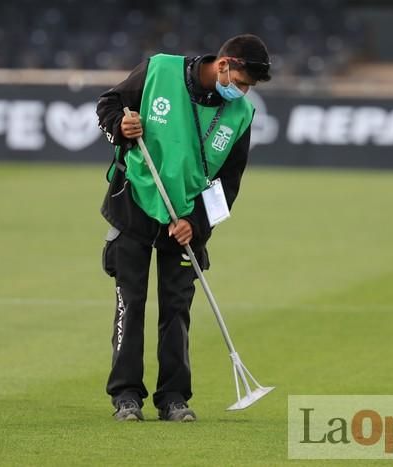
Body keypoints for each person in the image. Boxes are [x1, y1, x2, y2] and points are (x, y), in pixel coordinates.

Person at [96, 34, 271, 422]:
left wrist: (196, 224)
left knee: (176, 309)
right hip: (137, 200)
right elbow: (109, 104)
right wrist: (121, 127)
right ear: (224, 64)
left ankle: (173, 397)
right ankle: (126, 396)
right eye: (241, 82)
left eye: (248, 88)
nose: (242, 92)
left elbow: (228, 184)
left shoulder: (241, 115)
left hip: (186, 218)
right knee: (131, 301)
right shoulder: (160, 68)